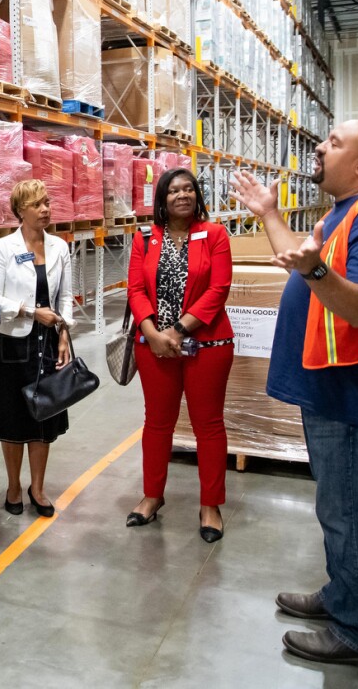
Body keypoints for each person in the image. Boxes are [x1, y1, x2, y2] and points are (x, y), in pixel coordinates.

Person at [229, 120, 358, 669]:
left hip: (354, 394)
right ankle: (344, 595)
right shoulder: (346, 213)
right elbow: (299, 260)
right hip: (332, 389)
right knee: (338, 507)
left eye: (335, 142)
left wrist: (315, 268)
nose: (320, 146)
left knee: (349, 513)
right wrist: (269, 214)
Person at [125, 168, 234, 543]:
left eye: (189, 189)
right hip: (154, 346)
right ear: (162, 198)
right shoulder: (144, 238)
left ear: (197, 195)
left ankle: (210, 504)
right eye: (174, 190)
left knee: (208, 425)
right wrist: (152, 332)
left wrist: (177, 330)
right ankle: (152, 496)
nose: (182, 195)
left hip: (207, 345)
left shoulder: (216, 234)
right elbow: (136, 289)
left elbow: (218, 288)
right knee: (157, 423)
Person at [0, 180, 74, 517]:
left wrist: (64, 334)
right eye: (37, 204)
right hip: (12, 343)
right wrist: (32, 312)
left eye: (47, 202)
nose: (45, 209)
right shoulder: (5, 249)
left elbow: (65, 296)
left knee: (44, 417)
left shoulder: (60, 247)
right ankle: (13, 486)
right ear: (20, 210)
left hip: (48, 343)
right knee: (13, 416)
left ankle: (38, 487)